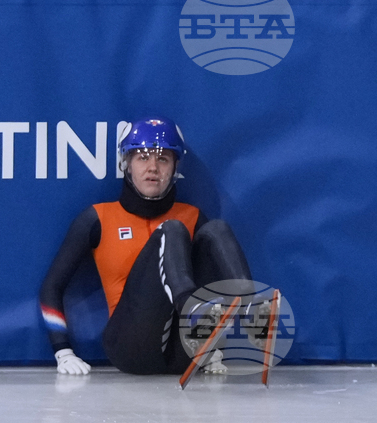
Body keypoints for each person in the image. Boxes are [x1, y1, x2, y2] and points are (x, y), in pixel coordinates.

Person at [38, 117, 255, 375]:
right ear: (126, 164)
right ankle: (190, 308)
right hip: (131, 348)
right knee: (172, 229)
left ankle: (253, 308)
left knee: (217, 230)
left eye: (163, 159)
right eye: (142, 157)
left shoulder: (193, 216)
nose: (153, 167)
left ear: (175, 168)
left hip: (184, 354)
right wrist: (63, 351)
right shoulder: (98, 218)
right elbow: (51, 287)